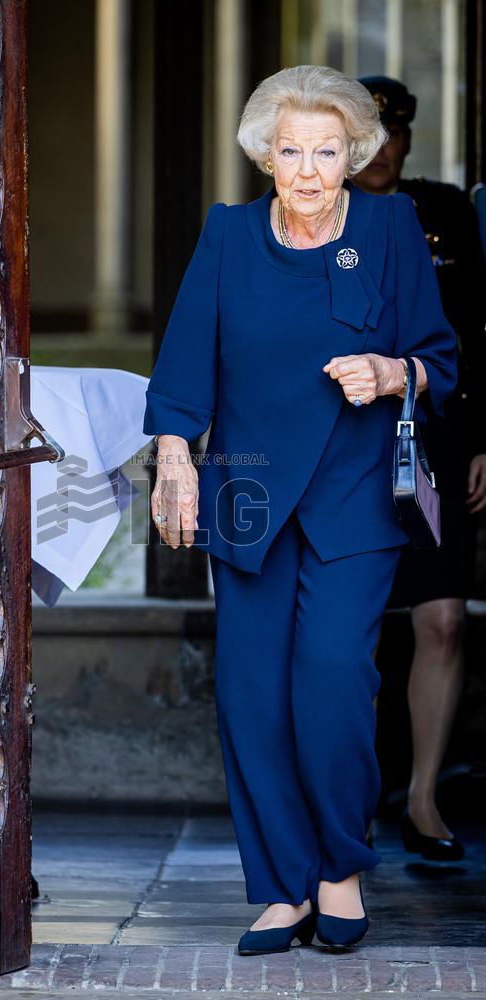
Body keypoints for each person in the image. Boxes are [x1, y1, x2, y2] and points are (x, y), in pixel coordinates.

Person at [142, 65, 457, 955]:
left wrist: (397, 372)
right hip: (245, 488)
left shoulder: (392, 229)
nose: (310, 169)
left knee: (331, 685)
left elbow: (441, 356)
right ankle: (281, 886)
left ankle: (339, 868)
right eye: (292, 150)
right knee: (250, 696)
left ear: (354, 154)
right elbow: (186, 357)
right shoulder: (231, 235)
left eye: (327, 150)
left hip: (353, 490)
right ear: (264, 156)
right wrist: (175, 455)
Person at [354, 76, 486, 861]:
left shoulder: (442, 212)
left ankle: (426, 799)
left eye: (397, 131)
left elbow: (476, 327)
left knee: (441, 617)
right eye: (373, 130)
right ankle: (352, 793)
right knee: (353, 622)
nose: (386, 145)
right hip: (350, 441)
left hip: (434, 440)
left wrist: (482, 439)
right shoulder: (315, 209)